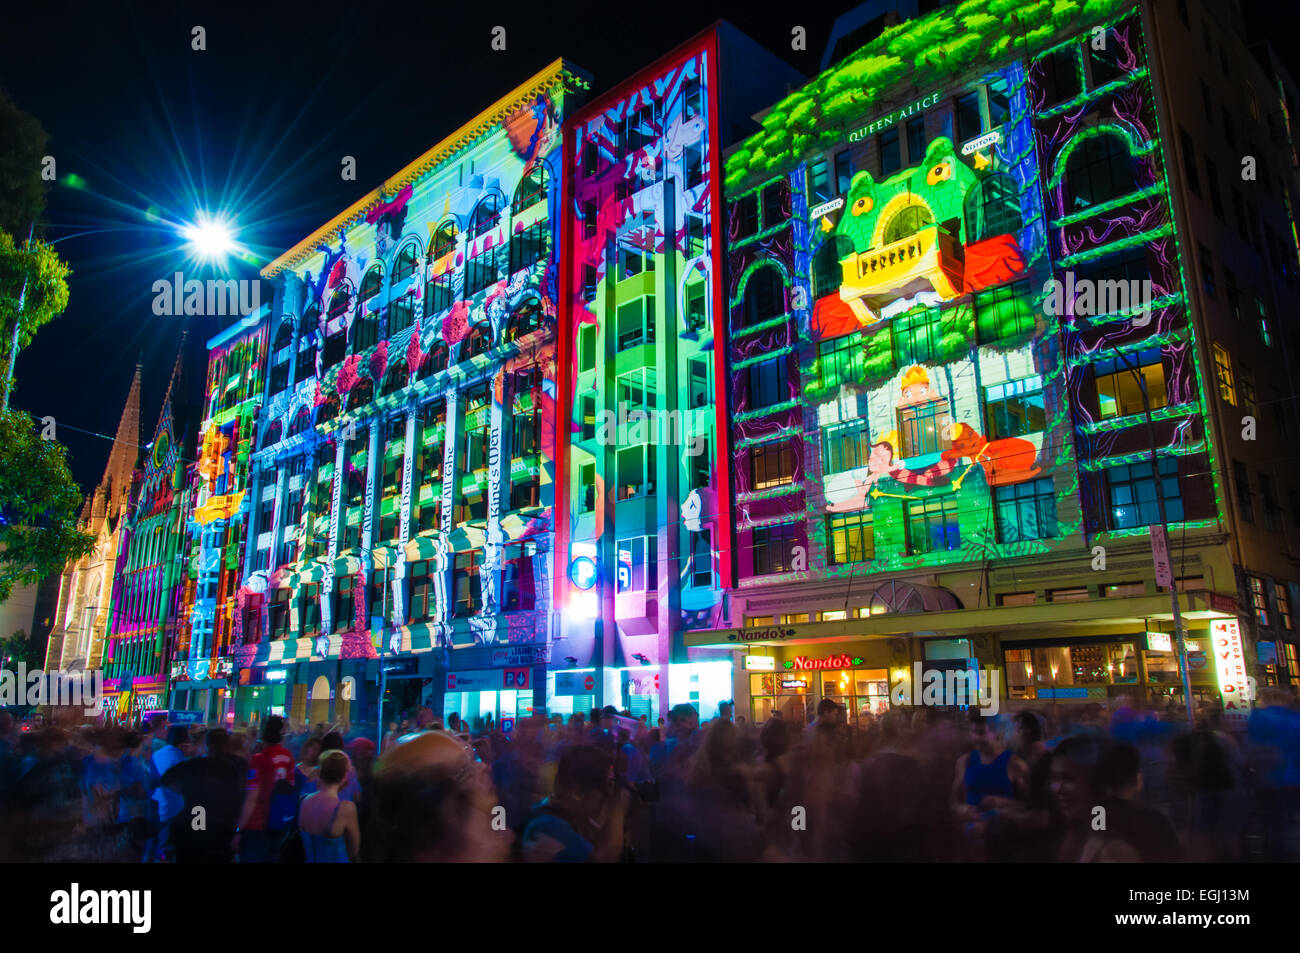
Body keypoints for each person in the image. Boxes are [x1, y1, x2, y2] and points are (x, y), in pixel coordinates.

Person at [521, 745, 630, 862]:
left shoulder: (573, 816)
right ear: (578, 793)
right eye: (605, 787)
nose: (608, 795)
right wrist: (618, 810)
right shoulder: (549, 825)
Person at [162, 729, 245, 863]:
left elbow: (166, 779)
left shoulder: (193, 765)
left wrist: (185, 791)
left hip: (194, 821)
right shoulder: (232, 767)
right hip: (220, 827)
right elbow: (239, 798)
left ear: (206, 745)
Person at [237, 715, 296, 863]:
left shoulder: (258, 759)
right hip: (279, 820)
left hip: (257, 822)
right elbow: (291, 787)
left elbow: (252, 798)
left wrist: (238, 829)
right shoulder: (287, 756)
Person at [298, 750, 360, 863]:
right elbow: (354, 851)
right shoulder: (345, 808)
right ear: (344, 777)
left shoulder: (303, 801)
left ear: (320, 773)